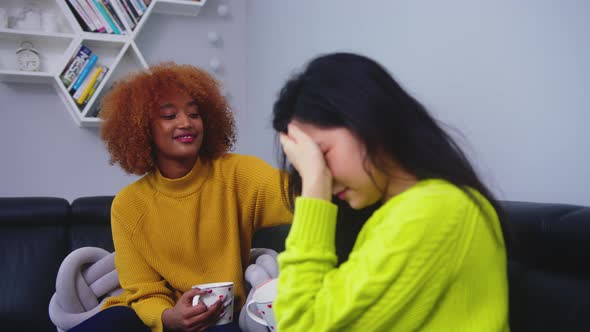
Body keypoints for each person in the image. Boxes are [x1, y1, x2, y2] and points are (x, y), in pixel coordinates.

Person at [271, 53, 510, 331]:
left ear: (366, 119)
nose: (321, 175)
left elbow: (301, 324)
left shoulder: (434, 210)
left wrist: (314, 193)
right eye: (307, 166)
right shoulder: (397, 212)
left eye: (322, 154)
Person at [69, 63, 292, 332]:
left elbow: (293, 195)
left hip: (219, 319)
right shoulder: (128, 205)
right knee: (114, 318)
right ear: (143, 128)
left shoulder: (236, 174)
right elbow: (143, 291)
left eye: (194, 114)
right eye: (169, 115)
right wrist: (168, 317)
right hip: (159, 321)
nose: (185, 122)